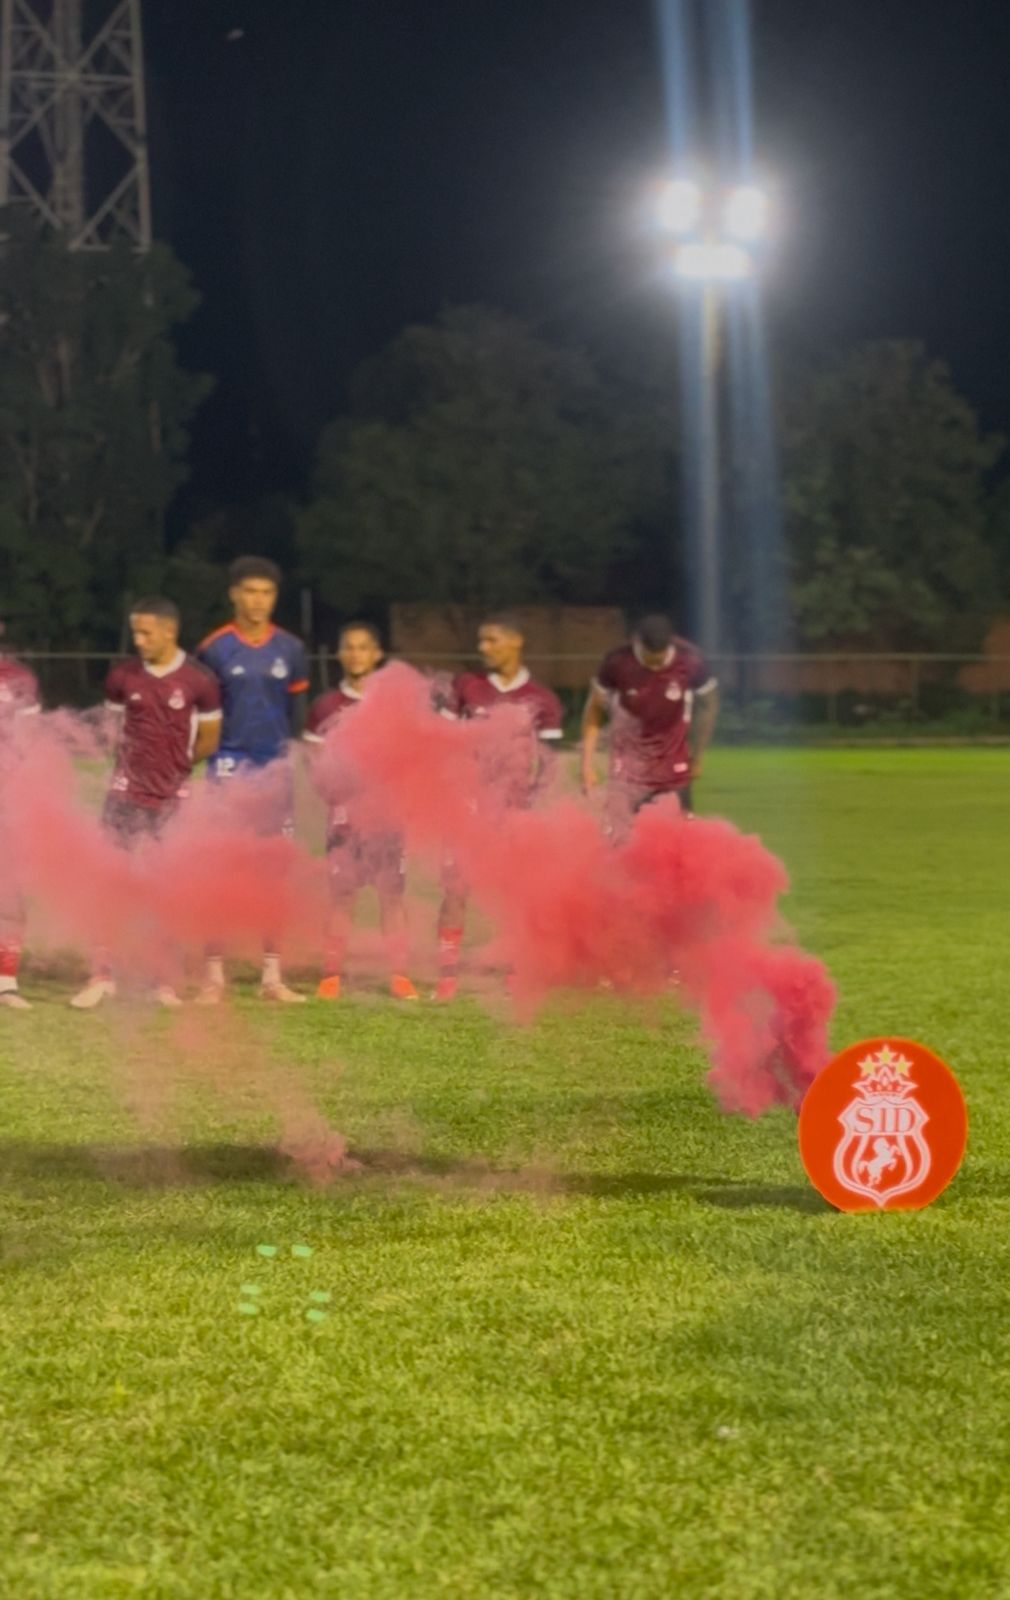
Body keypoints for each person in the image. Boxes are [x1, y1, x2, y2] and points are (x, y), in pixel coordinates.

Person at [71, 597, 222, 1009]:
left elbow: (208, 738)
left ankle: (163, 982)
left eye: (146, 632)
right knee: (110, 882)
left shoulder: (200, 680)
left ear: (169, 632)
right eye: (135, 631)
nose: (138, 640)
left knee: (166, 888)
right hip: (123, 794)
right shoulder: (122, 676)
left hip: (172, 799)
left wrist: (176, 769)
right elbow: (113, 728)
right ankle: (101, 975)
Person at [196, 556, 310, 1003]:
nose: (258, 601)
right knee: (219, 870)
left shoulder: (291, 650)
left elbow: (296, 715)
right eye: (250, 591)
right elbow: (203, 714)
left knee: (273, 872)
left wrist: (293, 759)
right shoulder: (215, 649)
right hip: (228, 765)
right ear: (234, 595)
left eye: (266, 593)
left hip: (274, 770)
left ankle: (272, 978)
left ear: (274, 598)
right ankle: (213, 977)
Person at [435, 611, 563, 1002]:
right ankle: (446, 978)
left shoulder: (542, 699)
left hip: (515, 811)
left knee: (517, 894)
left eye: (491, 640)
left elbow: (551, 760)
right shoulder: (466, 687)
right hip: (469, 808)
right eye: (481, 641)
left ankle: (515, 971)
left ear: (515, 642)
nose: (483, 648)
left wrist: (536, 806)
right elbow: (442, 742)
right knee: (456, 890)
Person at [304, 622, 419, 1002]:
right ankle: (331, 975)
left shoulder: (394, 705)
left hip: (387, 818)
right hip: (345, 818)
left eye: (363, 648)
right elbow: (314, 762)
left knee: (391, 896)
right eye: (349, 647)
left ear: (376, 655)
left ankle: (399, 976)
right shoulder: (325, 706)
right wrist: (337, 795)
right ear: (340, 654)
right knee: (342, 897)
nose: (356, 654)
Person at [580, 612, 718, 837]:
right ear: (637, 643)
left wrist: (698, 754)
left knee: (680, 841)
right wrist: (587, 765)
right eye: (649, 659)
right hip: (627, 769)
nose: (655, 666)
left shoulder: (690, 661)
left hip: (673, 768)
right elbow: (594, 711)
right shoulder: (617, 662)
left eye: (660, 659)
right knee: (619, 842)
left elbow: (708, 706)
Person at [0, 629, 42, 1009]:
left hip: (6, 793)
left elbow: (29, 741)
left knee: (9, 889)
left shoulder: (18, 679)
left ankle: (5, 980)